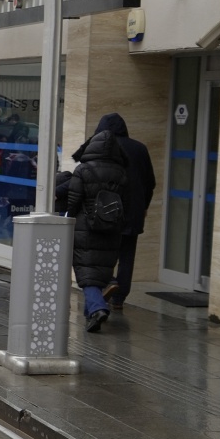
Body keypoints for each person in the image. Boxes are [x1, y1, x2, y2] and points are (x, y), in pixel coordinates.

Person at [67, 127, 129, 332]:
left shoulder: (83, 169)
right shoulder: (121, 171)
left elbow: (74, 198)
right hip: (112, 225)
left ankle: (97, 308)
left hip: (86, 225)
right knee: (100, 267)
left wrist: (70, 216)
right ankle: (91, 313)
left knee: (85, 270)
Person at [94, 113, 156, 311]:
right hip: (133, 211)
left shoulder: (101, 148)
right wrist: (144, 206)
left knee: (103, 253)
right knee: (127, 256)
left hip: (108, 210)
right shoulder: (139, 148)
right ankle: (119, 299)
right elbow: (150, 182)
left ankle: (109, 282)